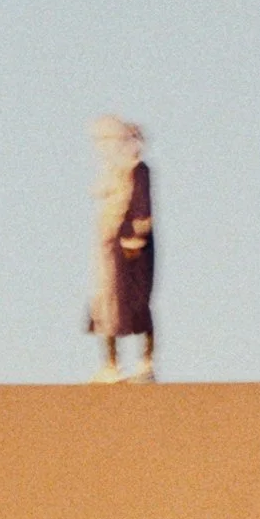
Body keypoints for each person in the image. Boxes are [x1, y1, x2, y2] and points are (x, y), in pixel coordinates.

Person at [86, 116, 155, 382]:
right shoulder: (113, 171)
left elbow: (140, 206)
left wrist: (134, 238)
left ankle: (146, 363)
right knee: (107, 305)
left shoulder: (137, 170)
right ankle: (111, 365)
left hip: (131, 248)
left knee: (137, 304)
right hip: (110, 245)